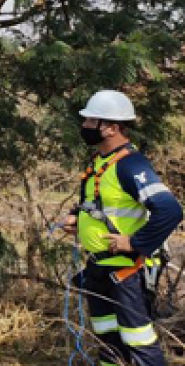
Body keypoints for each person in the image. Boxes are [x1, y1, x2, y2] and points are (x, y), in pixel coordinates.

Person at [61, 90, 182, 366]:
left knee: (138, 342)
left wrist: (135, 243)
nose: (85, 127)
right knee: (109, 344)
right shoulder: (100, 163)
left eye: (92, 122)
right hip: (99, 270)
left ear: (112, 128)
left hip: (126, 272)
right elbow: (99, 204)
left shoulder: (131, 164)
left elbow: (170, 210)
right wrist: (75, 219)